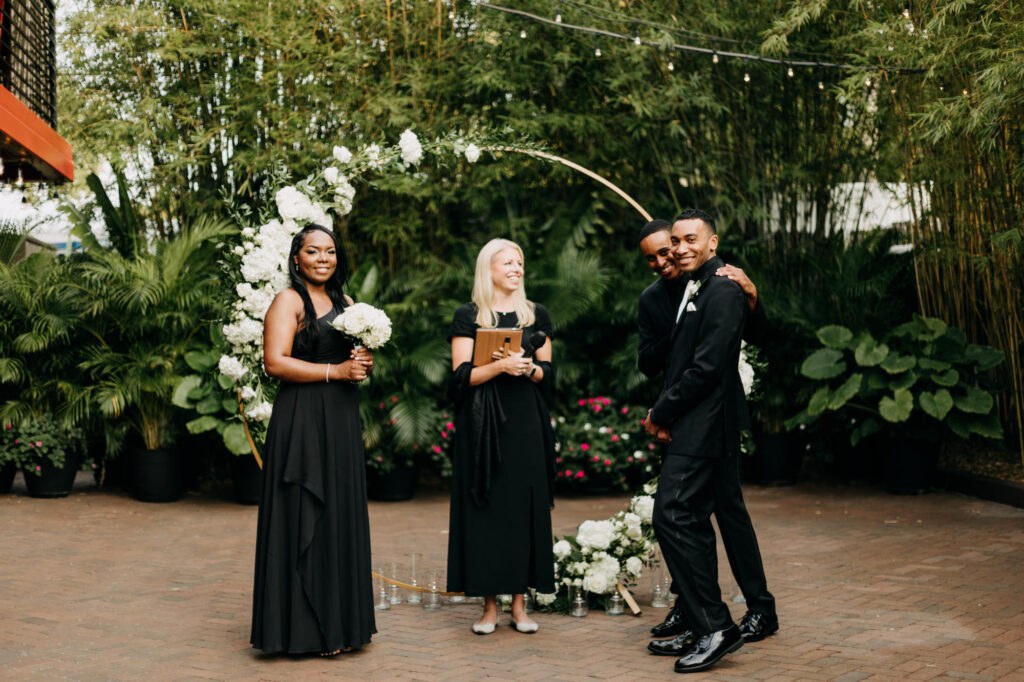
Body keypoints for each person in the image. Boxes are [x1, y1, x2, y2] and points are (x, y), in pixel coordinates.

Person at [636, 219, 777, 655]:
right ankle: (697, 616)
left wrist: (752, 298)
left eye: (675, 246)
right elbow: (655, 361)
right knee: (691, 516)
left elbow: (736, 348)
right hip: (687, 414)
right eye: (659, 254)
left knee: (714, 513)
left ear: (709, 243)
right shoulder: (658, 297)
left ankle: (752, 610)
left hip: (712, 415)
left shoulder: (721, 283)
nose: (669, 257)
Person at [251, 224, 376, 656]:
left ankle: (339, 627)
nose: (323, 258)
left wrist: (362, 364)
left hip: (340, 420)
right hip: (302, 418)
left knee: (338, 514)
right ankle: (300, 631)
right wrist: (334, 371)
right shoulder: (288, 301)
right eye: (313, 251)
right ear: (297, 258)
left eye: (330, 251)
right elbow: (274, 362)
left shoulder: (348, 304)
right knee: (304, 511)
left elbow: (354, 367)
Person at [446, 238, 556, 635]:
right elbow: (459, 379)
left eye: (519, 262)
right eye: (507, 262)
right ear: (487, 269)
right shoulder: (469, 315)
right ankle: (489, 607)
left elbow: (549, 376)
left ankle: (520, 607)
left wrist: (528, 369)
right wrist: (499, 367)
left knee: (523, 507)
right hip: (481, 424)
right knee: (486, 507)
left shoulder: (536, 315)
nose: (516, 268)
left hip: (526, 422)